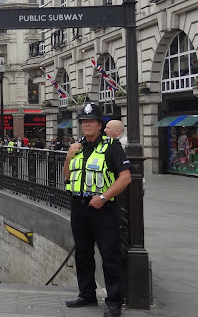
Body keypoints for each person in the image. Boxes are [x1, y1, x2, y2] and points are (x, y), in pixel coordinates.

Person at [63, 103, 132, 317]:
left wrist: (103, 197)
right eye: (84, 121)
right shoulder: (77, 146)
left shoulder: (112, 146)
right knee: (83, 253)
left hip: (103, 209)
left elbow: (126, 177)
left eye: (91, 121)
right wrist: (68, 156)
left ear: (100, 125)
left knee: (109, 255)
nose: (87, 125)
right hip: (79, 207)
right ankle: (87, 294)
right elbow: (67, 176)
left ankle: (114, 301)